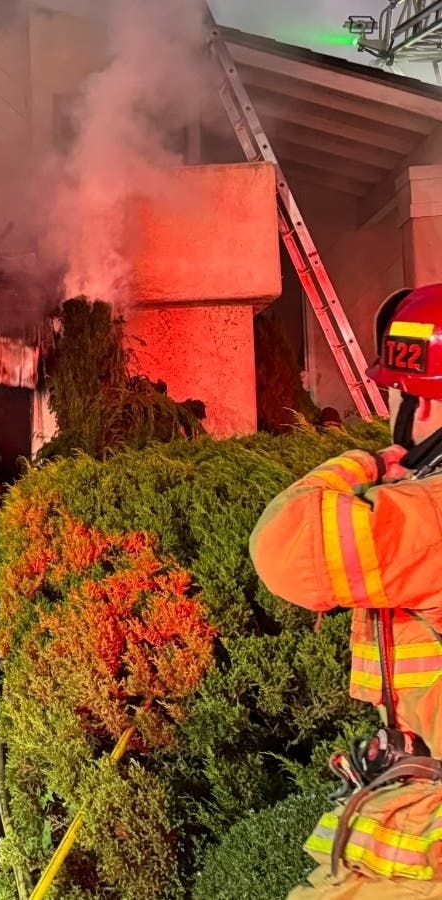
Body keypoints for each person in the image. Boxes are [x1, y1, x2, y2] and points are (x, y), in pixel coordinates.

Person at [250, 284, 442, 897]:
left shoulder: (430, 514)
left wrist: (362, 463)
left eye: (399, 392)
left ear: (425, 405)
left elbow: (285, 546)